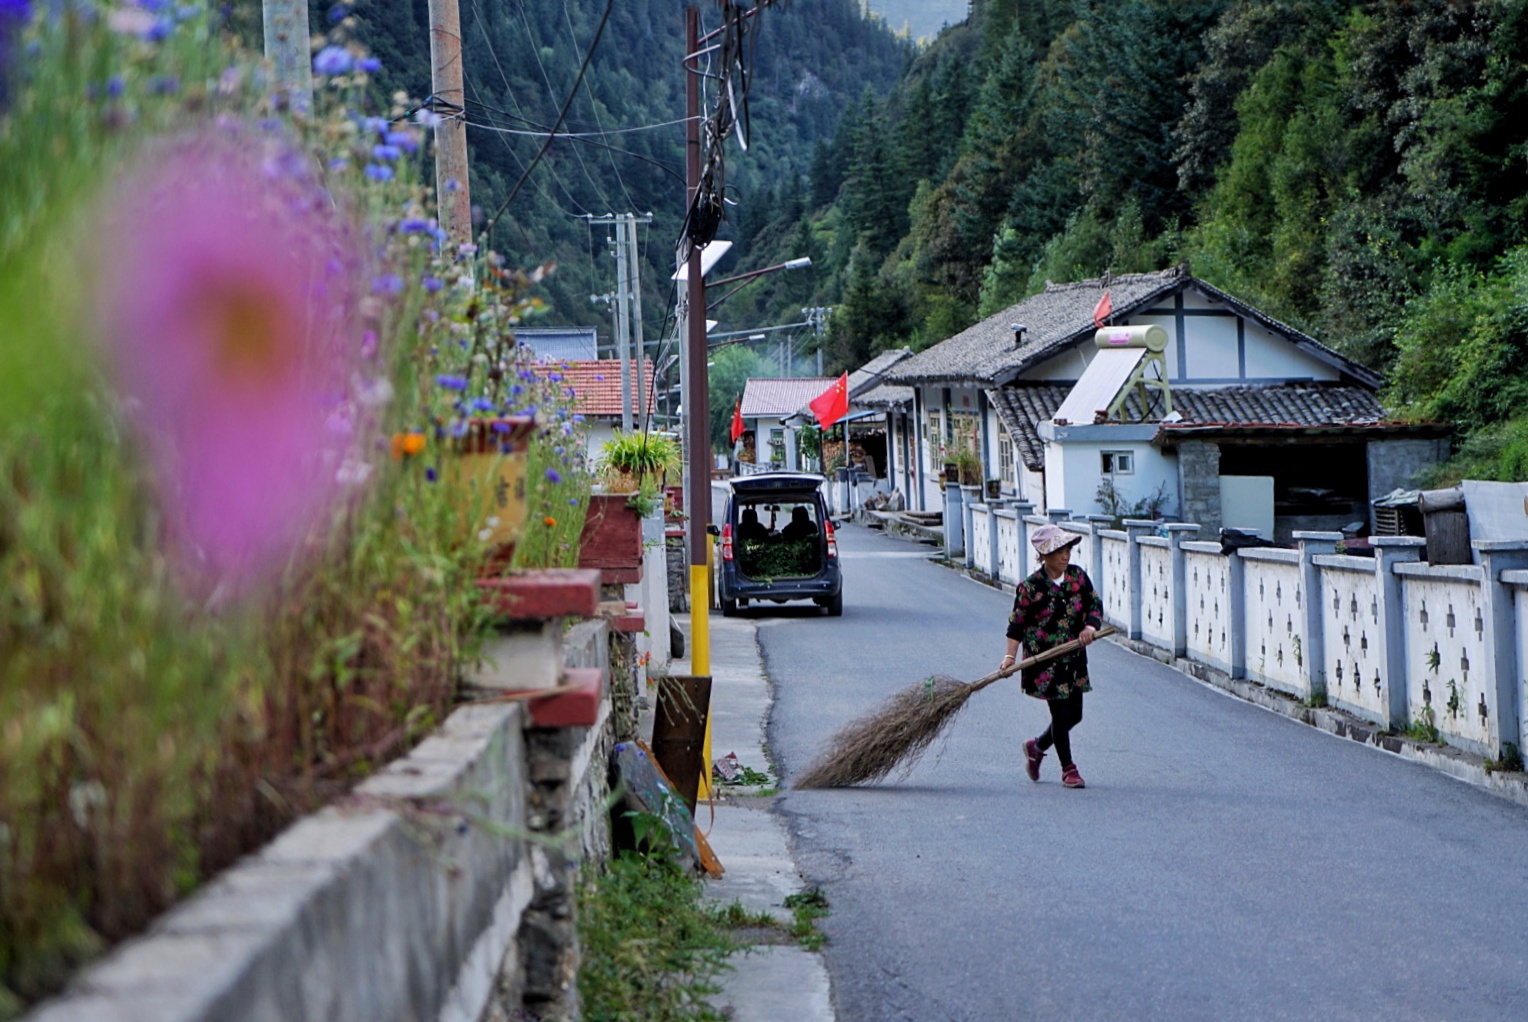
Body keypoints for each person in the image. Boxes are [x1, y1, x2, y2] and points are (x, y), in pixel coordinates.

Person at [1002, 524, 1103, 789]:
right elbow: (1016, 626)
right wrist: (1010, 657)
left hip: (1074, 659)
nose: (1065, 555)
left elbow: (1094, 604)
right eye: (1059, 551)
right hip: (1045, 663)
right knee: (1060, 715)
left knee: (1074, 715)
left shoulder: (1077, 577)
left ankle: (1036, 747)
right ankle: (1069, 770)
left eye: (1067, 549)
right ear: (1044, 555)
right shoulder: (1030, 588)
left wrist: (1090, 627)